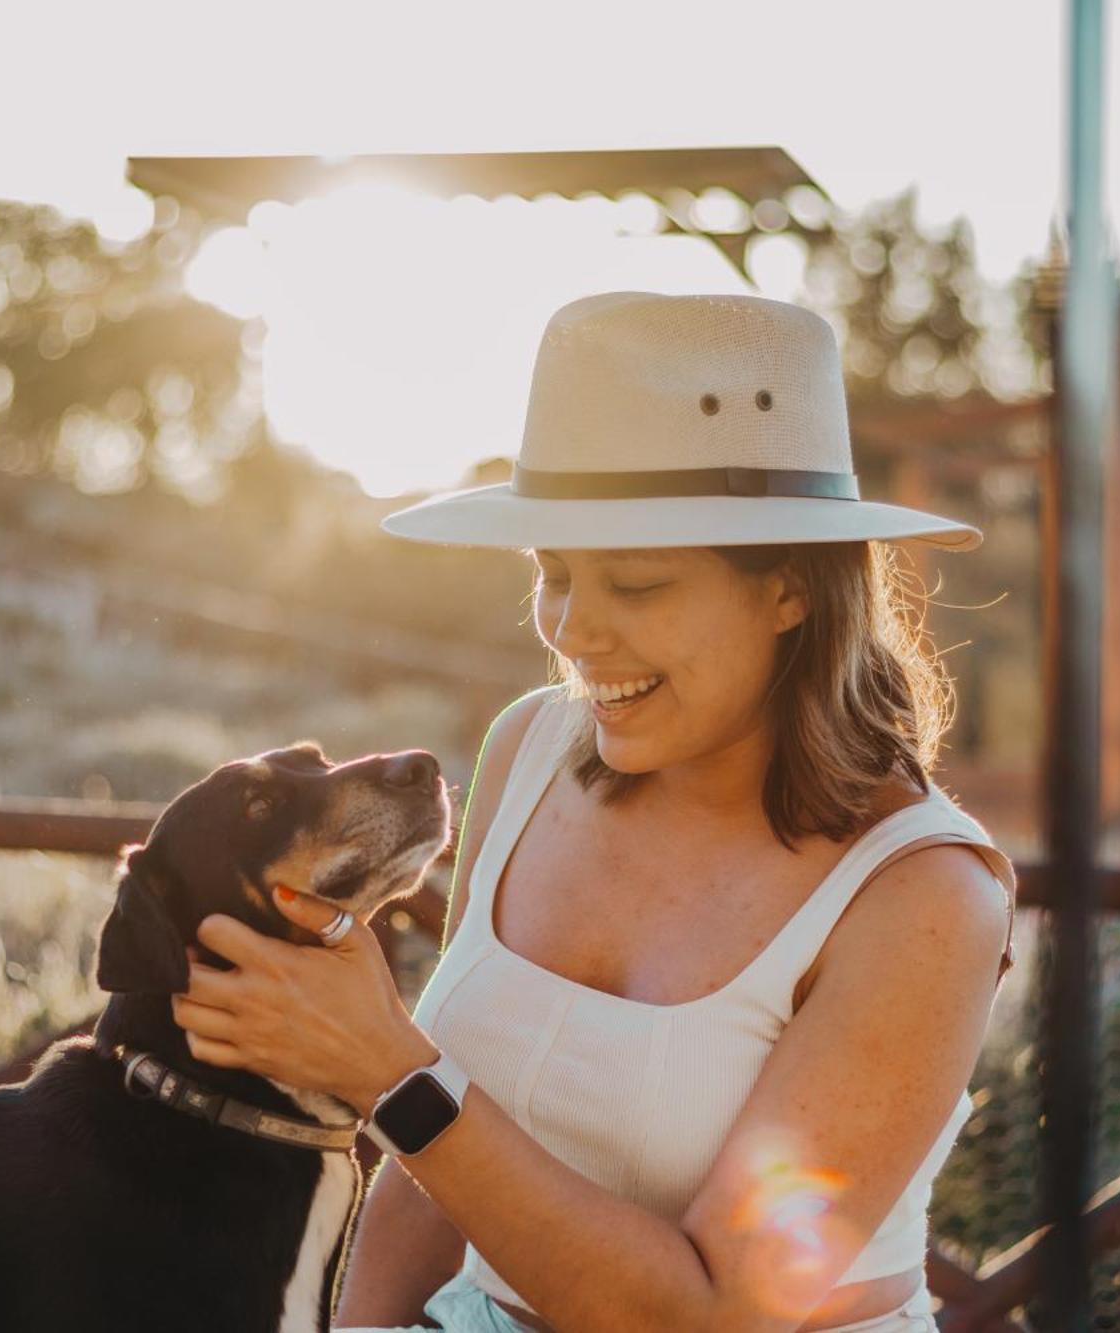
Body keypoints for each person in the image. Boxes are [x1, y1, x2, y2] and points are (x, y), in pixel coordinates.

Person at [170, 291, 1019, 1332]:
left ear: (790, 588)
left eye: (638, 584)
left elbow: (716, 1313)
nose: (574, 631)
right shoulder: (529, 748)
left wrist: (386, 1068)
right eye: (554, 574)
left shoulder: (922, 895)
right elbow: (438, 1175)